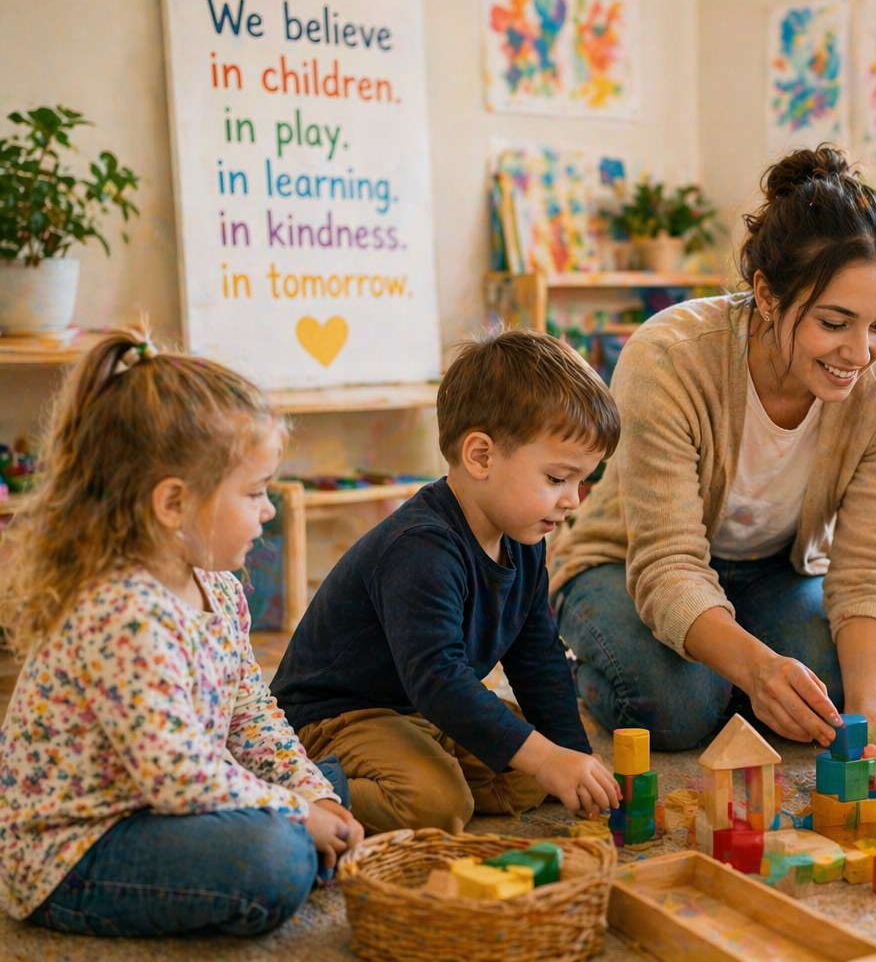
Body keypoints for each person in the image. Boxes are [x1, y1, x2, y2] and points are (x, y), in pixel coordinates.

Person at [551, 145, 876, 758]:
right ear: (767, 296)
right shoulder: (669, 357)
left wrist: (865, 715)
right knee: (675, 710)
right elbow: (667, 563)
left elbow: (870, 564)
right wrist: (756, 669)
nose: (860, 353)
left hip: (777, 572)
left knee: (837, 694)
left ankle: (733, 678)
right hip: (625, 561)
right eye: (834, 323)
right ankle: (581, 665)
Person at [0, 329, 362, 937]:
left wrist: (309, 793)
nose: (268, 509)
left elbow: (249, 712)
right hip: (76, 851)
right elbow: (177, 775)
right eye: (254, 492)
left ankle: (305, 831)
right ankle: (298, 849)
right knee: (275, 857)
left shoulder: (217, 586)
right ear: (173, 504)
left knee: (328, 787)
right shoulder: (121, 611)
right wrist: (298, 813)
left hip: (165, 803)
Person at [272, 328, 621, 834]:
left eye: (581, 481)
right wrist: (545, 756)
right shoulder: (420, 546)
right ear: (481, 456)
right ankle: (293, 789)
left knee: (532, 778)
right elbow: (438, 678)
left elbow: (538, 656)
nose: (572, 499)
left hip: (420, 709)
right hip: (337, 715)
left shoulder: (524, 536)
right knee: (438, 803)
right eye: (556, 479)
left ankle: (422, 760)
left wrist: (572, 756)